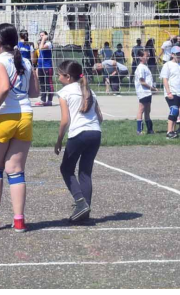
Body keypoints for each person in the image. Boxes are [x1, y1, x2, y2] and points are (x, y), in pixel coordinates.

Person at [0, 23, 40, 232]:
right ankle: (19, 220)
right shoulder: (26, 62)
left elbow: (3, 87)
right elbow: (35, 93)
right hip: (25, 116)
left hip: (3, 116)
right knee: (16, 171)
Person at [55, 59, 102, 223]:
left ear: (68, 77)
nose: (57, 77)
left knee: (66, 169)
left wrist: (59, 140)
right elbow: (100, 117)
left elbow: (65, 120)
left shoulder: (64, 92)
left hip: (78, 134)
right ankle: (84, 212)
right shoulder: (90, 91)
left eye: (59, 75)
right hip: (95, 133)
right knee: (85, 172)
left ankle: (80, 202)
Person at [160, 46, 180, 139]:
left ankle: (173, 131)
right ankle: (169, 132)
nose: (178, 56)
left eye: (179, 54)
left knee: (176, 113)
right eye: (176, 54)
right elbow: (165, 79)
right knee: (174, 110)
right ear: (172, 54)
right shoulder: (167, 65)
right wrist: (168, 92)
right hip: (171, 92)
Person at [134, 50, 156, 135]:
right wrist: (152, 88)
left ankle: (149, 129)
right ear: (140, 57)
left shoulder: (145, 66)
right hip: (143, 92)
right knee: (141, 109)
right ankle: (139, 130)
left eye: (148, 56)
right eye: (146, 56)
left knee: (148, 110)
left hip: (148, 92)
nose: (147, 57)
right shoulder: (140, 68)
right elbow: (142, 81)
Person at [35, 31, 54, 106]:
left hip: (47, 66)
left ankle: (49, 100)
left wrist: (43, 40)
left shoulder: (48, 44)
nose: (41, 37)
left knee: (48, 83)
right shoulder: (41, 43)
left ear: (46, 36)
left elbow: (41, 48)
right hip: (40, 66)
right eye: (40, 36)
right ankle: (43, 100)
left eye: (42, 35)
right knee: (42, 83)